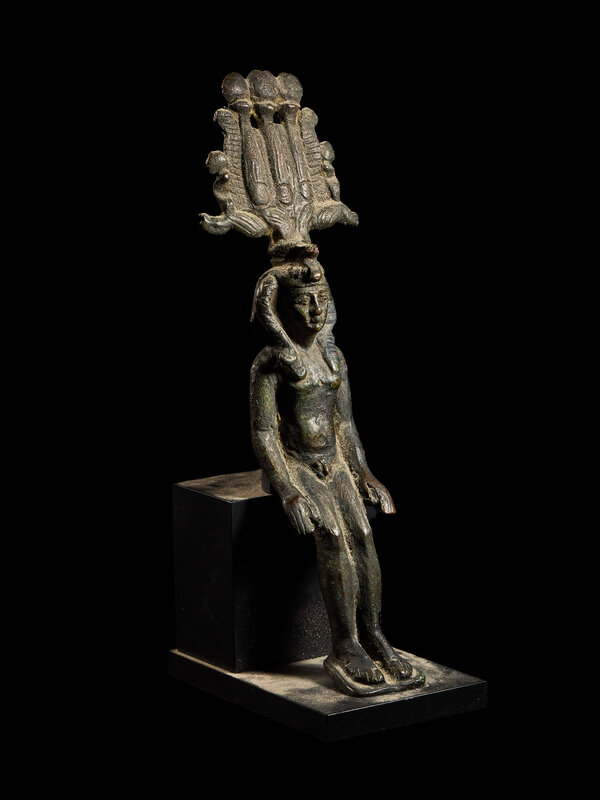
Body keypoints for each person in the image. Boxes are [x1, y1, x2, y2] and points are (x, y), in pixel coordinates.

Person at [250, 258, 414, 688]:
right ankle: (345, 645)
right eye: (304, 302)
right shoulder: (272, 362)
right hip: (297, 464)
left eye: (321, 299)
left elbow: (344, 424)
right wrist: (286, 489)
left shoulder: (333, 356)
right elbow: (264, 432)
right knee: (334, 536)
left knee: (363, 532)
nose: (315, 310)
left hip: (335, 462)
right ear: (281, 310)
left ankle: (373, 634)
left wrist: (365, 473)